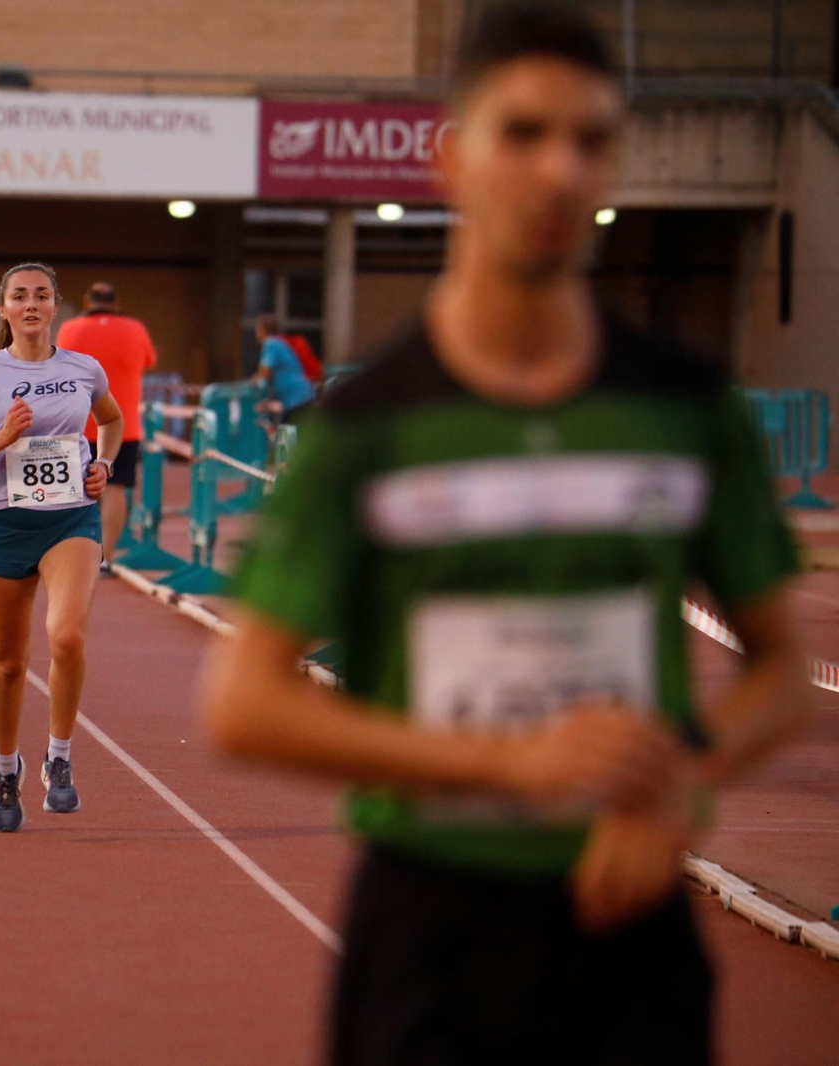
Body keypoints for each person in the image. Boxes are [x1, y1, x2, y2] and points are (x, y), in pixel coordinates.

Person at [198, 5, 813, 1065]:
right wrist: (505, 762)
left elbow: (783, 673)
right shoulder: (367, 428)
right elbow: (244, 703)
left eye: (590, 140)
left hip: (632, 929)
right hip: (433, 932)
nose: (559, 171)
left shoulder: (685, 406)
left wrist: (684, 779)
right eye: (523, 134)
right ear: (451, 159)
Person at [0, 263, 124, 832]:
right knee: (9, 662)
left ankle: (60, 757)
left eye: (42, 295)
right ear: (2, 308)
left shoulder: (83, 368)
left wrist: (103, 464)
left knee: (67, 636)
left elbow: (112, 419)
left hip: (71, 518)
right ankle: (8, 770)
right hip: (4, 522)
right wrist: (2, 437)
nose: (31, 304)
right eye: (20, 296)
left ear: (56, 306)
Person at [55, 280, 158, 570]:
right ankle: (106, 557)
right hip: (122, 425)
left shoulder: (70, 329)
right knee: (115, 488)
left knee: (71, 490)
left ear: (87, 302)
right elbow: (149, 361)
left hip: (76, 422)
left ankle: (69, 554)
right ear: (116, 303)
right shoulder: (135, 329)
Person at [252, 313, 314, 423]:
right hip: (298, 397)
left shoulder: (271, 343)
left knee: (287, 431)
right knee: (287, 429)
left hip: (297, 398)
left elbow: (265, 372)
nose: (256, 333)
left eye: (257, 329)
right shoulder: (279, 343)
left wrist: (255, 379)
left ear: (262, 329)